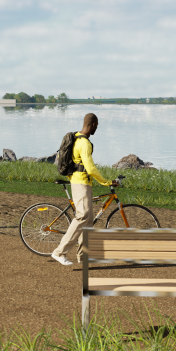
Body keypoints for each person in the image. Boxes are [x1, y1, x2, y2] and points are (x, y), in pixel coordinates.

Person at [51, 113, 116, 266]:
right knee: (82, 216)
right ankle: (59, 252)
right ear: (93, 124)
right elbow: (91, 168)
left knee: (87, 221)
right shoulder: (84, 143)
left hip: (81, 182)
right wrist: (107, 182)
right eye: (97, 125)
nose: (97, 128)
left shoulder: (76, 139)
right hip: (81, 183)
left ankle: (83, 256)